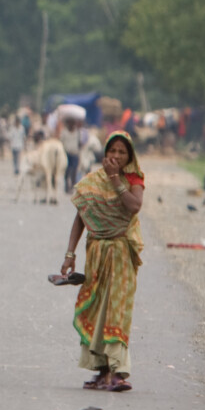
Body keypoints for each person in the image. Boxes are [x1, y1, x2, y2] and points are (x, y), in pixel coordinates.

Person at [59, 130, 144, 392]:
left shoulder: (134, 179)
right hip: (95, 254)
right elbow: (80, 217)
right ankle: (101, 371)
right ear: (105, 153)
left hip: (120, 253)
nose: (116, 156)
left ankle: (119, 371)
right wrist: (70, 254)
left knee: (116, 310)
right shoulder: (92, 181)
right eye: (112, 151)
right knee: (96, 308)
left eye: (122, 152)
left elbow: (134, 206)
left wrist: (116, 180)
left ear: (129, 155)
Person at [60, 118, 82, 193]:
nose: (71, 125)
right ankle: (67, 186)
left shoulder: (77, 132)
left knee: (74, 170)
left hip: (75, 153)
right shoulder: (64, 132)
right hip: (66, 154)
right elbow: (61, 142)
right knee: (67, 170)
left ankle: (72, 186)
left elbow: (79, 143)